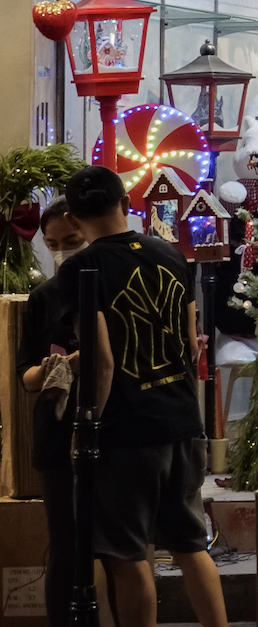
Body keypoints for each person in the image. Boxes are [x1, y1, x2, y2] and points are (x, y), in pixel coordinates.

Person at [55, 167, 225, 627]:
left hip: (126, 432)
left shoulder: (81, 268)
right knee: (190, 546)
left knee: (128, 555)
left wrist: (85, 426)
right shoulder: (169, 253)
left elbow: (102, 360)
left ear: (73, 218)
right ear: (124, 200)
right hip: (182, 421)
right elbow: (192, 345)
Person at [16, 202, 86, 627]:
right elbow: (24, 377)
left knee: (118, 552)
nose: (62, 252)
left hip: (111, 434)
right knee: (64, 547)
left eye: (72, 242)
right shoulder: (43, 297)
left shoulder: (112, 287)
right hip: (57, 434)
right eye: (53, 245)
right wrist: (50, 369)